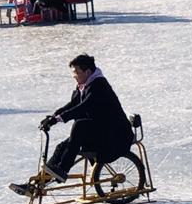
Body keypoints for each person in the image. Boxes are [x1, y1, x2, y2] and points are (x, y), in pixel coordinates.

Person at [10, 54, 135, 195]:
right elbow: (73, 104)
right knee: (61, 147)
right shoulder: (84, 85)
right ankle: (36, 185)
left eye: (76, 72)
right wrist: (53, 116)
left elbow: (84, 107)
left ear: (87, 72)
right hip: (99, 132)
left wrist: (59, 119)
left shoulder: (100, 86)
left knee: (80, 125)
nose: (74, 76)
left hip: (115, 136)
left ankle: (63, 169)